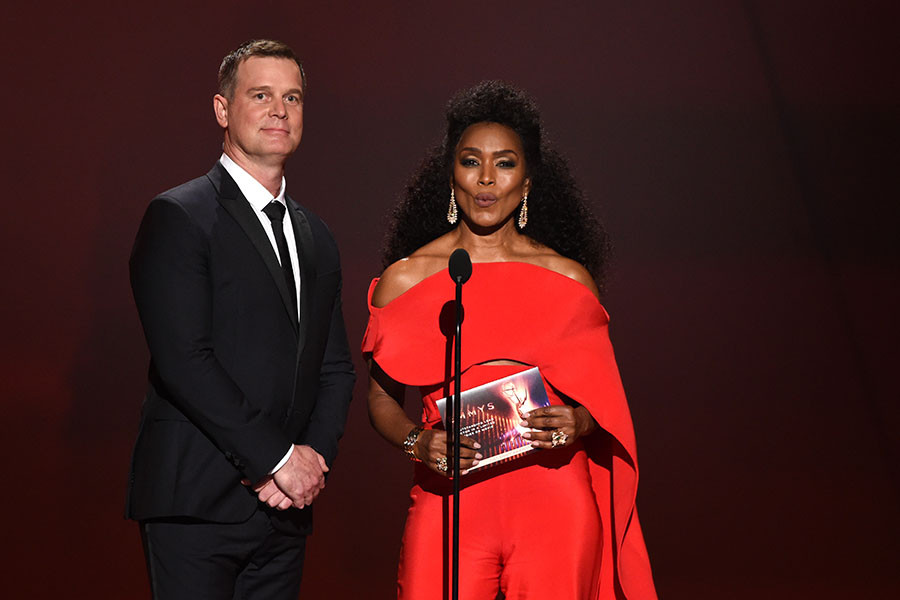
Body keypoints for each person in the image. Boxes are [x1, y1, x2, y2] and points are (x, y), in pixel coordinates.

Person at [363, 81, 656, 599]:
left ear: (526, 181)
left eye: (504, 164)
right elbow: (381, 399)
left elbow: (603, 408)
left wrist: (579, 421)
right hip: (449, 500)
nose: (486, 180)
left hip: (555, 502)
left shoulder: (568, 280)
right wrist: (417, 441)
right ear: (450, 173)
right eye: (471, 161)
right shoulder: (407, 280)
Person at [127, 39, 355, 599]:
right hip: (196, 503)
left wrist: (310, 464)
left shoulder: (317, 236)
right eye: (261, 95)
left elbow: (336, 369)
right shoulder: (178, 216)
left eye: (293, 97)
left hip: (284, 511)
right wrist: (276, 460)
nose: (280, 110)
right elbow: (185, 361)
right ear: (223, 110)